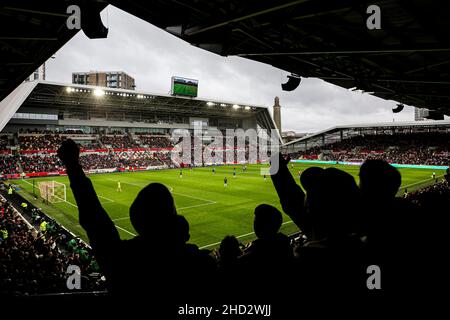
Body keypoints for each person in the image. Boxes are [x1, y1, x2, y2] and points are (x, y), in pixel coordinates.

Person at [57, 139, 216, 305]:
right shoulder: (202, 264)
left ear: (137, 221)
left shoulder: (124, 261)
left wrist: (73, 165)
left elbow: (95, 221)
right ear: (173, 216)